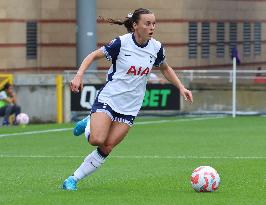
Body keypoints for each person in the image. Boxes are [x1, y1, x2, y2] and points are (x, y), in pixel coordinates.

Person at [62, 8, 193, 191]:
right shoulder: (121, 44)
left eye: (154, 23)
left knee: (107, 147)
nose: (152, 27)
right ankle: (90, 122)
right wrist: (79, 76)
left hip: (130, 107)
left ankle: (72, 179)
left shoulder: (156, 47)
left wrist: (181, 87)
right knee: (96, 139)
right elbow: (93, 55)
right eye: (147, 23)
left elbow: (164, 68)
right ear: (135, 25)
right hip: (110, 98)